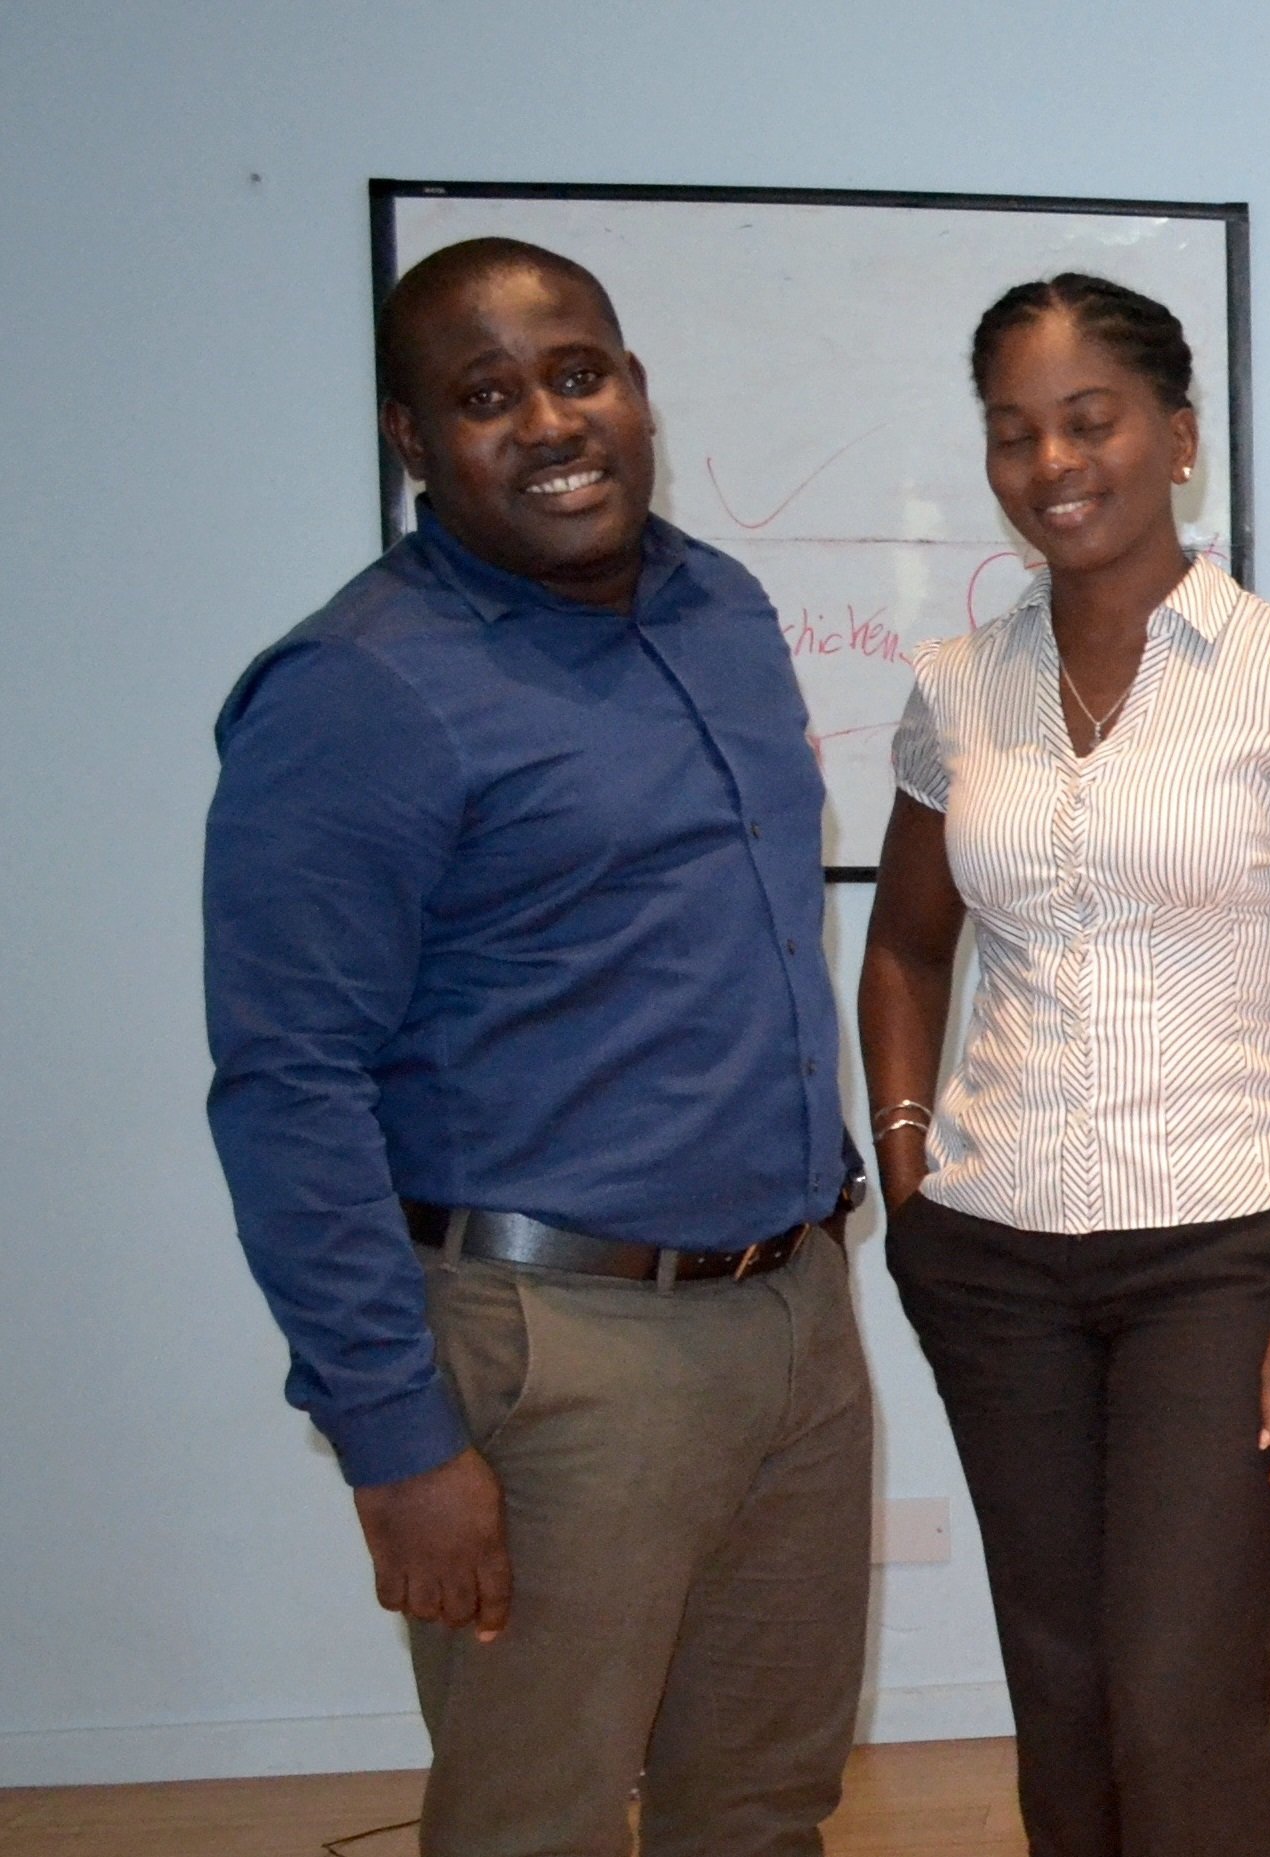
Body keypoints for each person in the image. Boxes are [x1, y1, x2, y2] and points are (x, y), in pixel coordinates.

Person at [203, 238, 870, 1854]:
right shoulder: (358, 690)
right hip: (551, 1351)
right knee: (538, 1822)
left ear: (636, 388)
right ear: (414, 441)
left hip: (793, 1320)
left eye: (581, 373)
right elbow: (288, 1086)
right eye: (487, 397)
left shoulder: (722, 604)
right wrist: (395, 1437)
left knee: (768, 1804)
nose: (553, 422)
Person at [856, 273, 1270, 1857]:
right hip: (994, 1254)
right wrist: (911, 1169)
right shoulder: (957, 691)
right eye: (1014, 434)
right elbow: (903, 947)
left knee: (1182, 1697)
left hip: (1218, 1255)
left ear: (1177, 440)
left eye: (1088, 420)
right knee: (1065, 1685)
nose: (1052, 463)